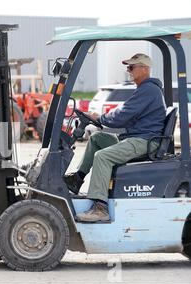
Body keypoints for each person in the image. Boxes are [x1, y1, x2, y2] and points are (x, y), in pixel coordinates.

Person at [64, 53, 166, 222]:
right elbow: (125, 113)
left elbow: (123, 114)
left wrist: (100, 118)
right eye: (128, 68)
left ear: (145, 69)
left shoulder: (149, 89)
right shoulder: (145, 89)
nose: (129, 71)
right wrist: (101, 119)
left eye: (132, 67)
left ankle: (100, 208)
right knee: (97, 138)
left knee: (102, 157)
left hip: (144, 140)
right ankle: (77, 179)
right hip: (135, 137)